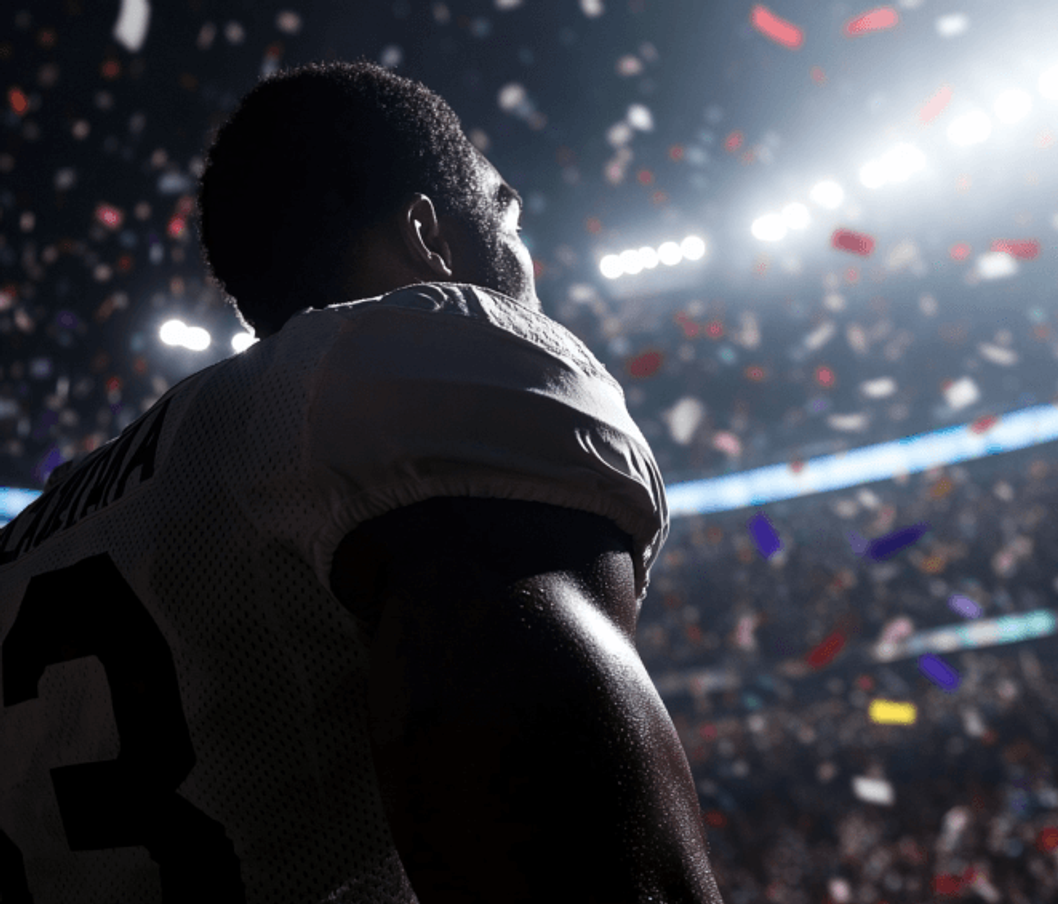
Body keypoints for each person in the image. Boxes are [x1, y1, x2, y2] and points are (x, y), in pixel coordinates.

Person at [0, 57, 725, 903]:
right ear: (429, 237)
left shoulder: (43, 526)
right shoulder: (420, 363)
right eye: (509, 220)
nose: (528, 264)